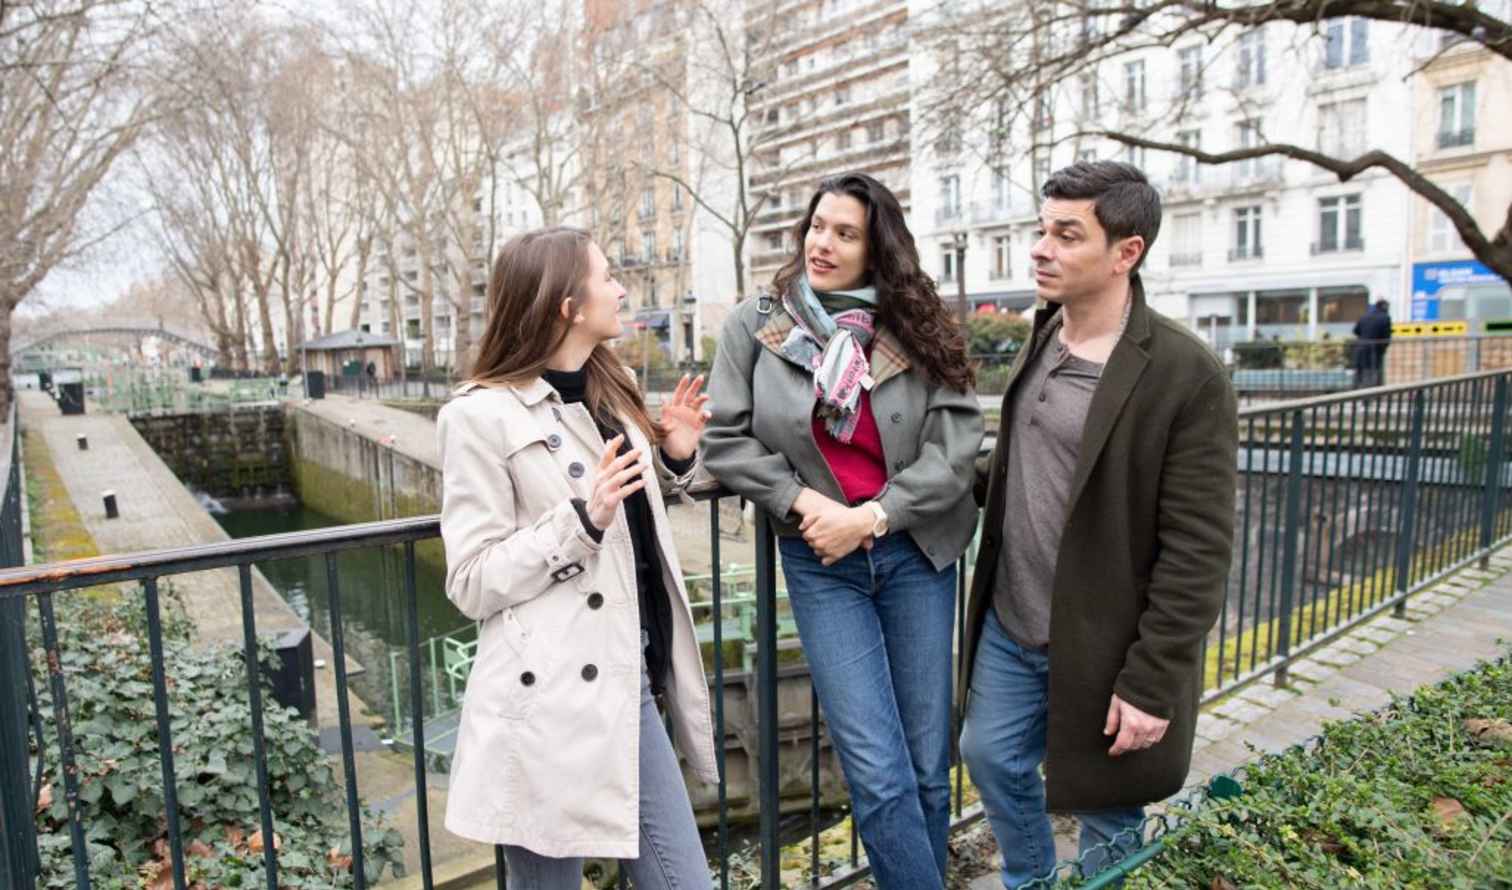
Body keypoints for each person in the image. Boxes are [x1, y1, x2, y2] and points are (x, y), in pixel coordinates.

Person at [959, 161, 1238, 888]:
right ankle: (1031, 879)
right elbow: (1024, 457)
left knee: (1110, 813)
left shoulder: (1185, 374)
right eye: (1041, 230)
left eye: (1066, 235)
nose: (1041, 249)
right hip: (1013, 620)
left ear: (1127, 252)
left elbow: (1199, 550)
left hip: (1109, 640)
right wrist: (923, 489)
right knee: (988, 754)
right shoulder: (1046, 332)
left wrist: (1151, 683)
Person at [704, 172, 984, 890]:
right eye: (816, 227)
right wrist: (802, 504)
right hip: (821, 560)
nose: (821, 244)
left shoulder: (919, 325)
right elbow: (726, 442)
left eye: (845, 233)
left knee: (926, 764)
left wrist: (872, 515)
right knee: (876, 768)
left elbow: (956, 446)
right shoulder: (756, 324)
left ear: (876, 247)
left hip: (916, 551)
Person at [436, 226, 718, 889]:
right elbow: (471, 581)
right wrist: (577, 523)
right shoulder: (478, 417)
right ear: (567, 304)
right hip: (544, 707)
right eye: (608, 277)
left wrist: (674, 458)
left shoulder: (608, 392)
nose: (621, 288)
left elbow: (630, 525)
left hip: (629, 677)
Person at [1351, 299, 1392, 387]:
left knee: (1359, 372)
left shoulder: (1364, 316)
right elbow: (1386, 336)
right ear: (1385, 307)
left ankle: (1355, 393)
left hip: (1360, 347)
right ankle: (1369, 395)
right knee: (1372, 372)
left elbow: (1355, 331)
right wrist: (1383, 348)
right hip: (1375, 350)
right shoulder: (1385, 317)